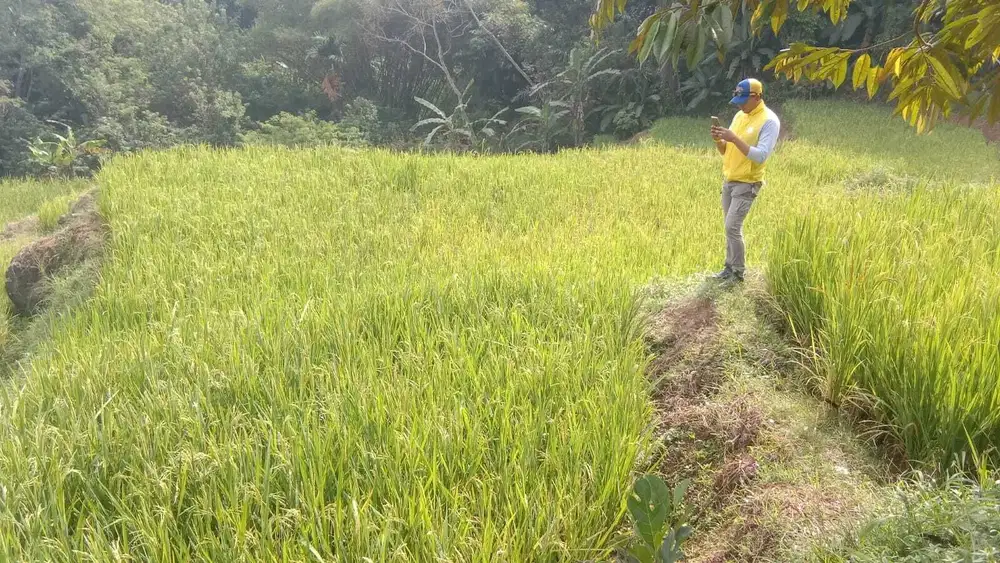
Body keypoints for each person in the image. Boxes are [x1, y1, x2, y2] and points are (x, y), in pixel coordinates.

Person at [709, 78, 780, 283]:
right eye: (738, 101)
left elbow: (761, 156)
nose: (740, 105)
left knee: (732, 227)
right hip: (730, 179)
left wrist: (733, 138)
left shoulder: (769, 121)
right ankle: (728, 268)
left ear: (756, 97)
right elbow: (726, 150)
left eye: (743, 101)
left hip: (748, 183)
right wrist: (719, 139)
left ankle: (738, 273)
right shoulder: (740, 116)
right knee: (728, 227)